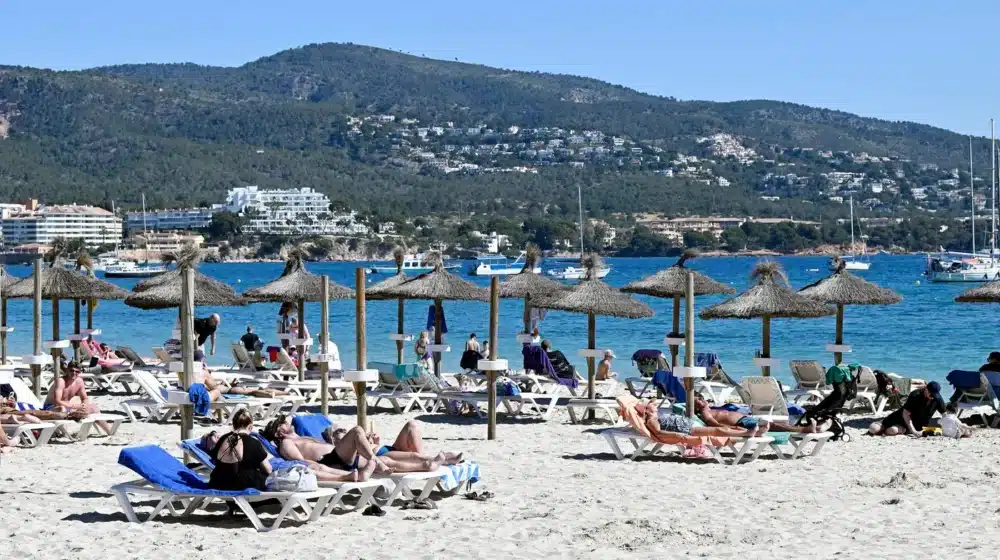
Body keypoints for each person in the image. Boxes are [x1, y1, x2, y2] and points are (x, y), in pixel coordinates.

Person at [263, 416, 460, 481]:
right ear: (279, 432)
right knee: (357, 431)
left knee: (389, 461)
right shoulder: (286, 443)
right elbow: (302, 462)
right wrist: (328, 470)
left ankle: (427, 464)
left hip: (341, 455)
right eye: (283, 423)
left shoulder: (302, 436)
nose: (288, 422)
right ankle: (376, 462)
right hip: (332, 462)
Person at [207, 409, 271, 491]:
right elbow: (268, 469)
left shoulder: (222, 439)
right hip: (241, 486)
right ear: (250, 426)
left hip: (217, 483)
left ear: (233, 424)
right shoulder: (253, 442)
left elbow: (214, 458)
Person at [43, 362, 113, 435]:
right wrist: (75, 406)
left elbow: (84, 398)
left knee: (94, 408)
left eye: (77, 371)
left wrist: (84, 407)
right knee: (62, 409)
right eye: (72, 370)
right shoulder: (61, 381)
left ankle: (109, 431)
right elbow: (57, 401)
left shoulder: (79, 381)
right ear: (67, 370)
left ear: (79, 372)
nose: (74, 373)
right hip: (51, 407)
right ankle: (63, 432)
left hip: (68, 408)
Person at [694, 395, 818, 433]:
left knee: (775, 424)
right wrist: (733, 428)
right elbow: (714, 424)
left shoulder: (711, 409)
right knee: (773, 426)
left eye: (701, 397)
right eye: (698, 400)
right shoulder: (705, 412)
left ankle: (807, 428)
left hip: (744, 419)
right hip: (741, 423)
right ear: (696, 407)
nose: (702, 399)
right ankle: (804, 429)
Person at [642, 401, 766, 438]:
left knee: (719, 429)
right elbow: (658, 432)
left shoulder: (656, 417)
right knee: (717, 431)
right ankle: (747, 433)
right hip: (686, 430)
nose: (655, 405)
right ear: (647, 411)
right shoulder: (651, 420)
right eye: (652, 405)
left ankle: (751, 432)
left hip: (688, 425)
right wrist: (677, 435)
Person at [869, 381, 946, 436]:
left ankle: (886, 432)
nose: (932, 397)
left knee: (893, 430)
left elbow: (944, 415)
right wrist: (913, 431)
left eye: (934, 395)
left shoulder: (937, 398)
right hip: (900, 418)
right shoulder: (915, 395)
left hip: (912, 427)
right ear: (926, 389)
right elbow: (905, 413)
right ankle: (881, 426)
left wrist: (948, 427)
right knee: (874, 429)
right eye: (931, 395)